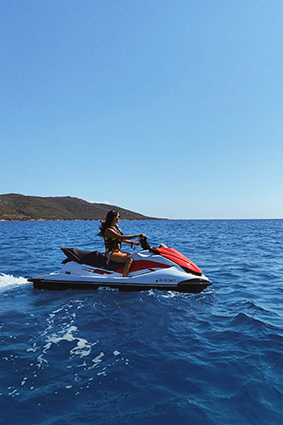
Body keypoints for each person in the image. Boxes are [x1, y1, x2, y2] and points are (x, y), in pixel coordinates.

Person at [98, 210, 143, 277]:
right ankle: (124, 279)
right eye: (118, 216)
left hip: (117, 251)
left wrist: (133, 243)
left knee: (133, 256)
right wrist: (136, 236)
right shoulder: (109, 230)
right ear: (114, 218)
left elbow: (120, 240)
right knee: (129, 260)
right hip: (110, 253)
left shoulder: (116, 227)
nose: (119, 218)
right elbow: (120, 237)